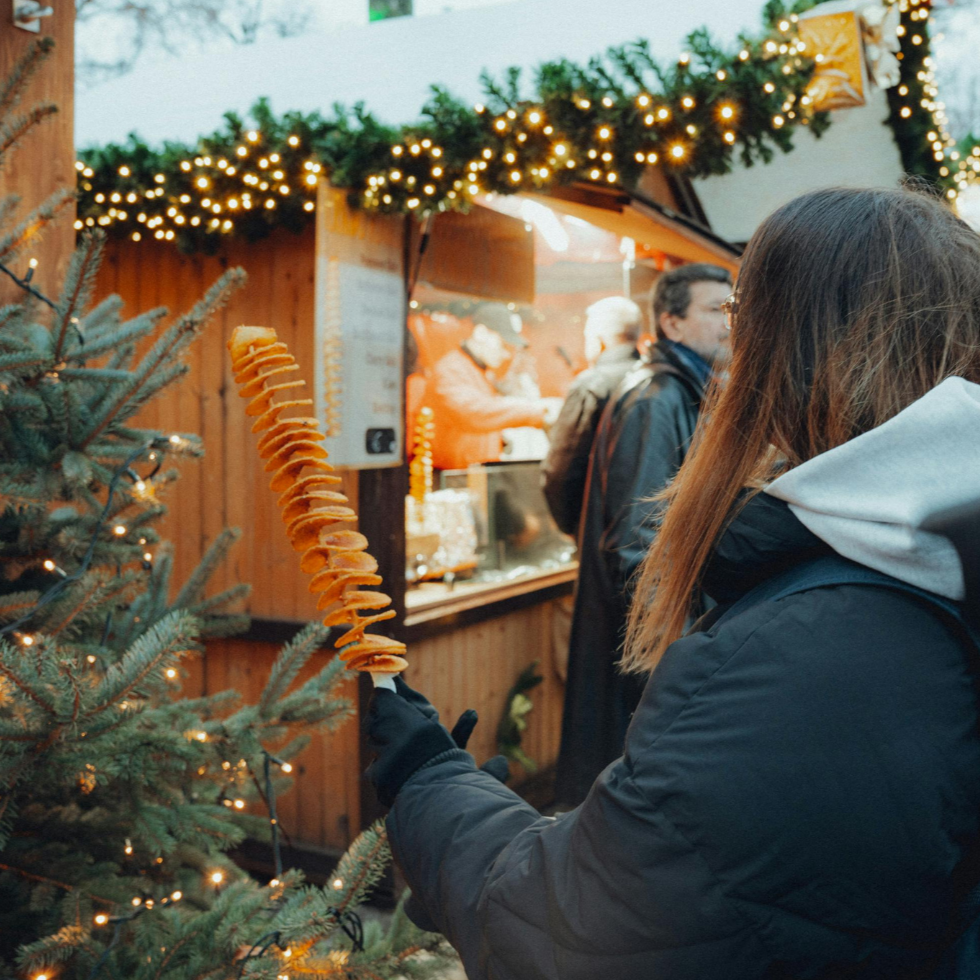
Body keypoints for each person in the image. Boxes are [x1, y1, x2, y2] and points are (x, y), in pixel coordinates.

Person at [364, 186, 980, 980]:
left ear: (788, 354)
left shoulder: (795, 652)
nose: (730, 345)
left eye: (742, 318)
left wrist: (428, 782)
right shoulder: (920, 562)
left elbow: (566, 931)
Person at [555, 263, 732, 806]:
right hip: (653, 648)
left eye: (733, 309)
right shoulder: (657, 397)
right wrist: (672, 656)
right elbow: (639, 543)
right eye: (715, 309)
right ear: (671, 323)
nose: (730, 323)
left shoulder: (691, 390)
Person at [541, 295, 643, 536]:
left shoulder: (591, 386)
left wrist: (575, 529)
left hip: (603, 530)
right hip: (650, 526)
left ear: (600, 341)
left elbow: (560, 472)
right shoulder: (657, 379)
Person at [427, 303, 554, 471]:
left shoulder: (479, 372)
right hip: (452, 477)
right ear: (481, 333)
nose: (506, 354)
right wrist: (534, 413)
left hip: (474, 474)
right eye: (503, 345)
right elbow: (473, 413)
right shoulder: (450, 369)